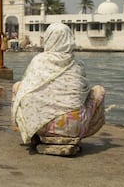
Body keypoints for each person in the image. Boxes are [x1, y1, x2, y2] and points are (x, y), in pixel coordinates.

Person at [11, 23, 106, 155]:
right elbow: (81, 95)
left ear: (48, 38)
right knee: (99, 91)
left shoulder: (38, 61)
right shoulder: (77, 64)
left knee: (18, 87)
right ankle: (71, 137)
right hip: (75, 127)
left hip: (39, 126)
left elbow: (26, 89)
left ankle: (33, 136)